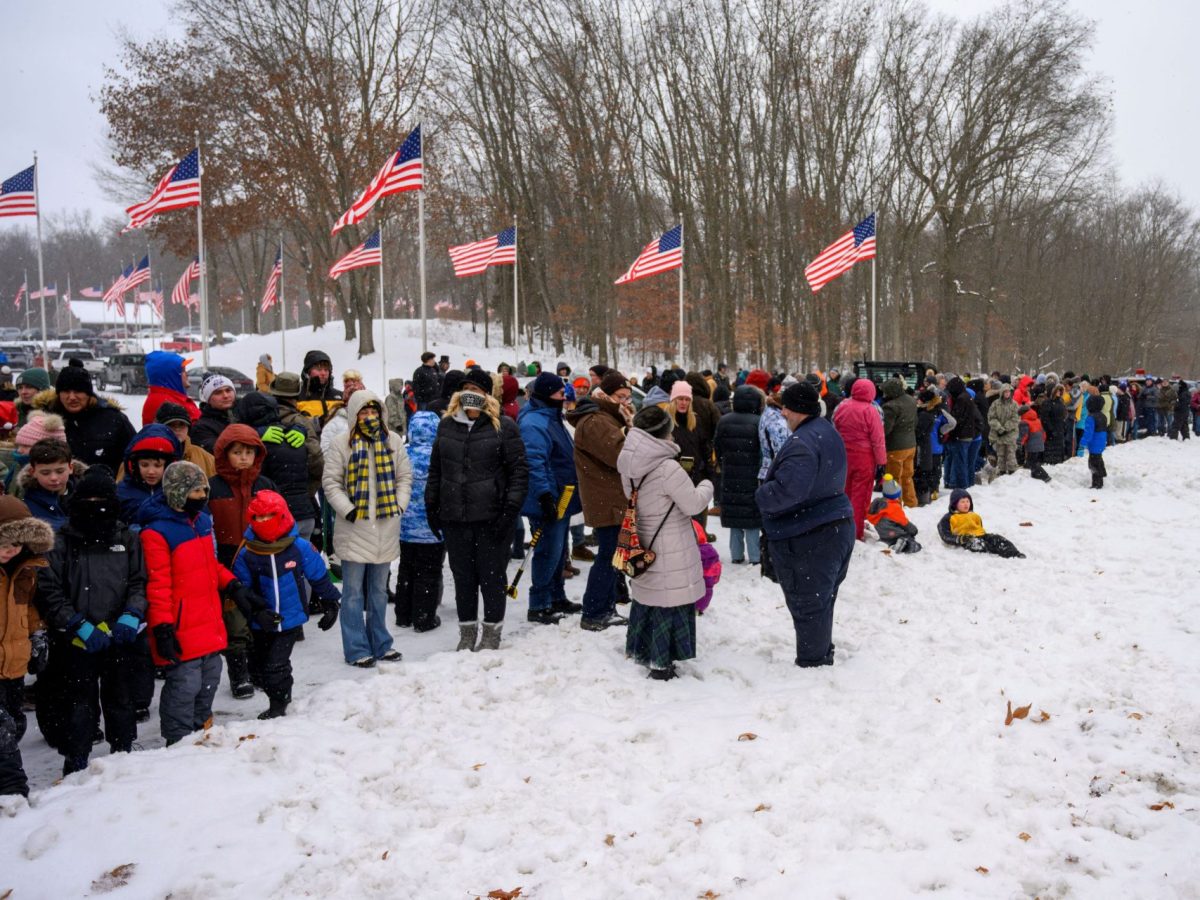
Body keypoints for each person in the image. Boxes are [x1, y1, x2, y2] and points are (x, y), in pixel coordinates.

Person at [140, 461, 273, 745]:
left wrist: (234, 585)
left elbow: (209, 564)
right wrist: (162, 626)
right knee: (185, 683)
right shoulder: (156, 532)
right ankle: (178, 739)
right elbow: (158, 584)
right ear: (177, 493)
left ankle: (202, 728)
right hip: (181, 622)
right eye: (195, 491)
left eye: (204, 490)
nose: (202, 496)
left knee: (211, 675)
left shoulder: (201, 522)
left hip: (208, 616)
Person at [34, 467, 145, 776]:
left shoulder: (127, 538)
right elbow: (49, 590)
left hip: (118, 634)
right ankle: (76, 759)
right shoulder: (60, 541)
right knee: (78, 703)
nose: (96, 506)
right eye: (90, 500)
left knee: (121, 698)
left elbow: (138, 582)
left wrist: (131, 614)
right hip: (76, 639)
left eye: (103, 500)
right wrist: (75, 623)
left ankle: (123, 753)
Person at [427, 371, 528, 650]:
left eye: (476, 389)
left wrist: (509, 511)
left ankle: (492, 633)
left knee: (492, 577)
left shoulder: (503, 426)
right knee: (464, 578)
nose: (470, 394)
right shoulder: (447, 425)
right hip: (455, 517)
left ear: (486, 394)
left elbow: (518, 473)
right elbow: (436, 470)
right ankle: (467, 632)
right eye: (466, 388)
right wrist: (431, 505)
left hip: (491, 517)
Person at [757, 382, 855, 668]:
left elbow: (788, 491)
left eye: (786, 407)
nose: (783, 412)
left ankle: (814, 665)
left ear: (798, 409)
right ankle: (821, 651)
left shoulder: (802, 444)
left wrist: (761, 493)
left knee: (809, 604)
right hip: (834, 525)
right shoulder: (826, 430)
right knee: (821, 601)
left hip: (810, 534)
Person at [616, 406, 714, 680]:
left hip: (643, 538)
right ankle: (662, 660)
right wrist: (706, 485)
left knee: (650, 594)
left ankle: (641, 648)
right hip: (671, 540)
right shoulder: (668, 467)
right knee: (670, 598)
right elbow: (693, 504)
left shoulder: (629, 462)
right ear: (662, 434)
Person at [321, 391, 412, 667]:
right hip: (354, 528)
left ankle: (381, 643)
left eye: (373, 411)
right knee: (352, 594)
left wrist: (399, 505)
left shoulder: (392, 441)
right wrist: (348, 509)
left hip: (385, 526)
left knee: (379, 592)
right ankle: (356, 648)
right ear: (354, 414)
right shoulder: (342, 443)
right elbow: (331, 483)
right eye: (364, 412)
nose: (369, 416)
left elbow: (404, 477)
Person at [232, 490, 341, 719]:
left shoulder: (298, 547)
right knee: (260, 667)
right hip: (262, 622)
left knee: (276, 666)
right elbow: (243, 590)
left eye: (269, 516)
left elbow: (318, 574)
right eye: (259, 517)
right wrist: (257, 612)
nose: (264, 521)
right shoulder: (247, 553)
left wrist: (330, 602)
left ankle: (279, 704)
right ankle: (276, 691)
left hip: (290, 618)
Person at [208, 425, 277, 699]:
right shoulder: (213, 487)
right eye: (237, 452)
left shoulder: (265, 485)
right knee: (235, 622)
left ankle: (258, 669)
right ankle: (240, 676)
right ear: (225, 454)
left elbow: (282, 519)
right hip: (227, 563)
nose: (244, 458)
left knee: (260, 617)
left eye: (249, 452)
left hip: (262, 560)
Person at [565, 371, 634, 631]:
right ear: (606, 395)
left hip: (611, 495)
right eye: (620, 396)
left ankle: (605, 606)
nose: (624, 402)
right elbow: (621, 456)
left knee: (613, 555)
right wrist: (633, 431)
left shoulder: (607, 417)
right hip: (606, 497)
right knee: (608, 555)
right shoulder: (596, 421)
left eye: (627, 397)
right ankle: (594, 611)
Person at [0, 496, 54, 797]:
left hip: (14, 664)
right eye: (4, 544)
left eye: (18, 544)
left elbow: (29, 608)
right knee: (2, 732)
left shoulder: (25, 570)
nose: (11, 550)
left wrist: (37, 634)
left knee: (15, 724)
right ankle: (13, 792)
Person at [518, 372, 582, 624]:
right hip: (547, 497)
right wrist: (545, 495)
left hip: (562, 495)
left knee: (559, 549)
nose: (564, 397)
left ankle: (556, 596)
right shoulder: (534, 422)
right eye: (559, 393)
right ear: (546, 394)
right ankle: (539, 603)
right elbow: (535, 463)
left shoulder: (552, 416)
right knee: (547, 550)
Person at [237, 391, 321, 541]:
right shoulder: (292, 434)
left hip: (276, 518)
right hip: (305, 513)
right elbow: (317, 462)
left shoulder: (255, 446)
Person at [396, 410, 444, 632]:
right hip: (431, 527)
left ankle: (403, 614)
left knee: (406, 568)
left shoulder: (402, 454)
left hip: (404, 526)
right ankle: (424, 617)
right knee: (428, 571)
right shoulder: (439, 455)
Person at [49, 364, 135, 479]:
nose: (72, 397)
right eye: (66, 391)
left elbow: (134, 455)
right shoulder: (46, 421)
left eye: (78, 391)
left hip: (106, 487)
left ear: (89, 393)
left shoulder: (113, 419)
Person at [713, 385, 764, 564]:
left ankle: (736, 555)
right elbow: (762, 451)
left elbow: (718, 446)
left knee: (735, 519)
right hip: (752, 476)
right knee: (751, 519)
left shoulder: (724, 421)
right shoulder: (759, 422)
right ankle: (755, 556)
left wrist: (725, 463)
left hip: (730, 475)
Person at [832, 377, 886, 541]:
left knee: (844, 492)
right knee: (860, 496)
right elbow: (878, 439)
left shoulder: (842, 406)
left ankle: (841, 526)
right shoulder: (871, 410)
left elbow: (834, 428)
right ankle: (855, 532)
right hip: (864, 457)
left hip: (843, 455)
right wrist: (881, 462)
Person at [116, 424, 182, 525]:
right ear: (134, 465)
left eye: (157, 465)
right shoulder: (121, 492)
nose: (151, 471)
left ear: (169, 465)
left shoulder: (181, 490)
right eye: (144, 465)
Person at [936, 489, 1025, 558]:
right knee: (979, 544)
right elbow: (945, 534)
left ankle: (1014, 553)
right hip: (967, 539)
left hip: (982, 535)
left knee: (998, 539)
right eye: (962, 502)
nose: (966, 504)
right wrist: (959, 539)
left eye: (967, 501)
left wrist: (987, 537)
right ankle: (994, 550)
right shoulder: (949, 517)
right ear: (955, 504)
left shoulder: (974, 515)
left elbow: (980, 528)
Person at [881, 376, 918, 506]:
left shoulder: (890, 406)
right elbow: (915, 422)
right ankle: (911, 502)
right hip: (911, 444)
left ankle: (894, 504)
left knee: (893, 477)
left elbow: (886, 429)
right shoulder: (911, 400)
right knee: (907, 476)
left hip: (895, 446)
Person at [155, 402, 216, 478]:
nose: (177, 429)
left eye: (182, 424)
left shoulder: (205, 457)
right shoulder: (148, 454)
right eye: (171, 424)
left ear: (188, 428)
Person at [141, 351, 200, 427]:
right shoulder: (163, 403)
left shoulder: (172, 397)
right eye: (182, 370)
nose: (187, 374)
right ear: (172, 375)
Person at [866, 475, 921, 553]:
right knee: (910, 539)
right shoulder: (894, 507)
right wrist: (914, 530)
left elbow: (868, 513)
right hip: (894, 533)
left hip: (882, 533)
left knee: (889, 535)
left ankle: (886, 542)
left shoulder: (877, 502)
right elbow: (904, 522)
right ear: (897, 495)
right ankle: (904, 544)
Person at [190, 374, 237, 454]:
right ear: (209, 399)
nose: (225, 396)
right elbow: (218, 451)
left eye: (228, 390)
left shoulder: (243, 414)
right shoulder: (201, 427)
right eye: (218, 393)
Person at [296, 350, 343, 426]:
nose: (323, 373)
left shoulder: (340, 396)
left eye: (326, 370)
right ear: (308, 372)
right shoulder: (296, 395)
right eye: (319, 369)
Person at [986, 383, 1019, 478]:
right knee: (1000, 454)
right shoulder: (996, 404)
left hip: (1010, 433)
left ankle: (1012, 471)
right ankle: (1002, 471)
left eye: (1009, 392)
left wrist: (1006, 428)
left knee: (1011, 453)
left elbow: (1016, 418)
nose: (1007, 394)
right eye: (1005, 392)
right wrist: (999, 428)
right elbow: (991, 417)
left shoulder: (1014, 404)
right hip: (998, 433)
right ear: (1002, 393)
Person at [1019, 399, 1051, 482]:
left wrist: (1019, 443)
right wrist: (1042, 442)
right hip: (1039, 444)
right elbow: (1043, 433)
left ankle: (1045, 476)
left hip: (1032, 445)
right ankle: (1034, 475)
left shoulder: (1024, 422)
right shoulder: (1037, 420)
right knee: (1033, 461)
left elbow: (1024, 435)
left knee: (1032, 462)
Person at [1081, 394, 1109, 488]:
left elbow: (1088, 433)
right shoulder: (1103, 416)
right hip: (1101, 442)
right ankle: (1102, 473)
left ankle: (1097, 483)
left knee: (1093, 464)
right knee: (1098, 458)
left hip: (1094, 443)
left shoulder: (1091, 418)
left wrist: (1082, 444)